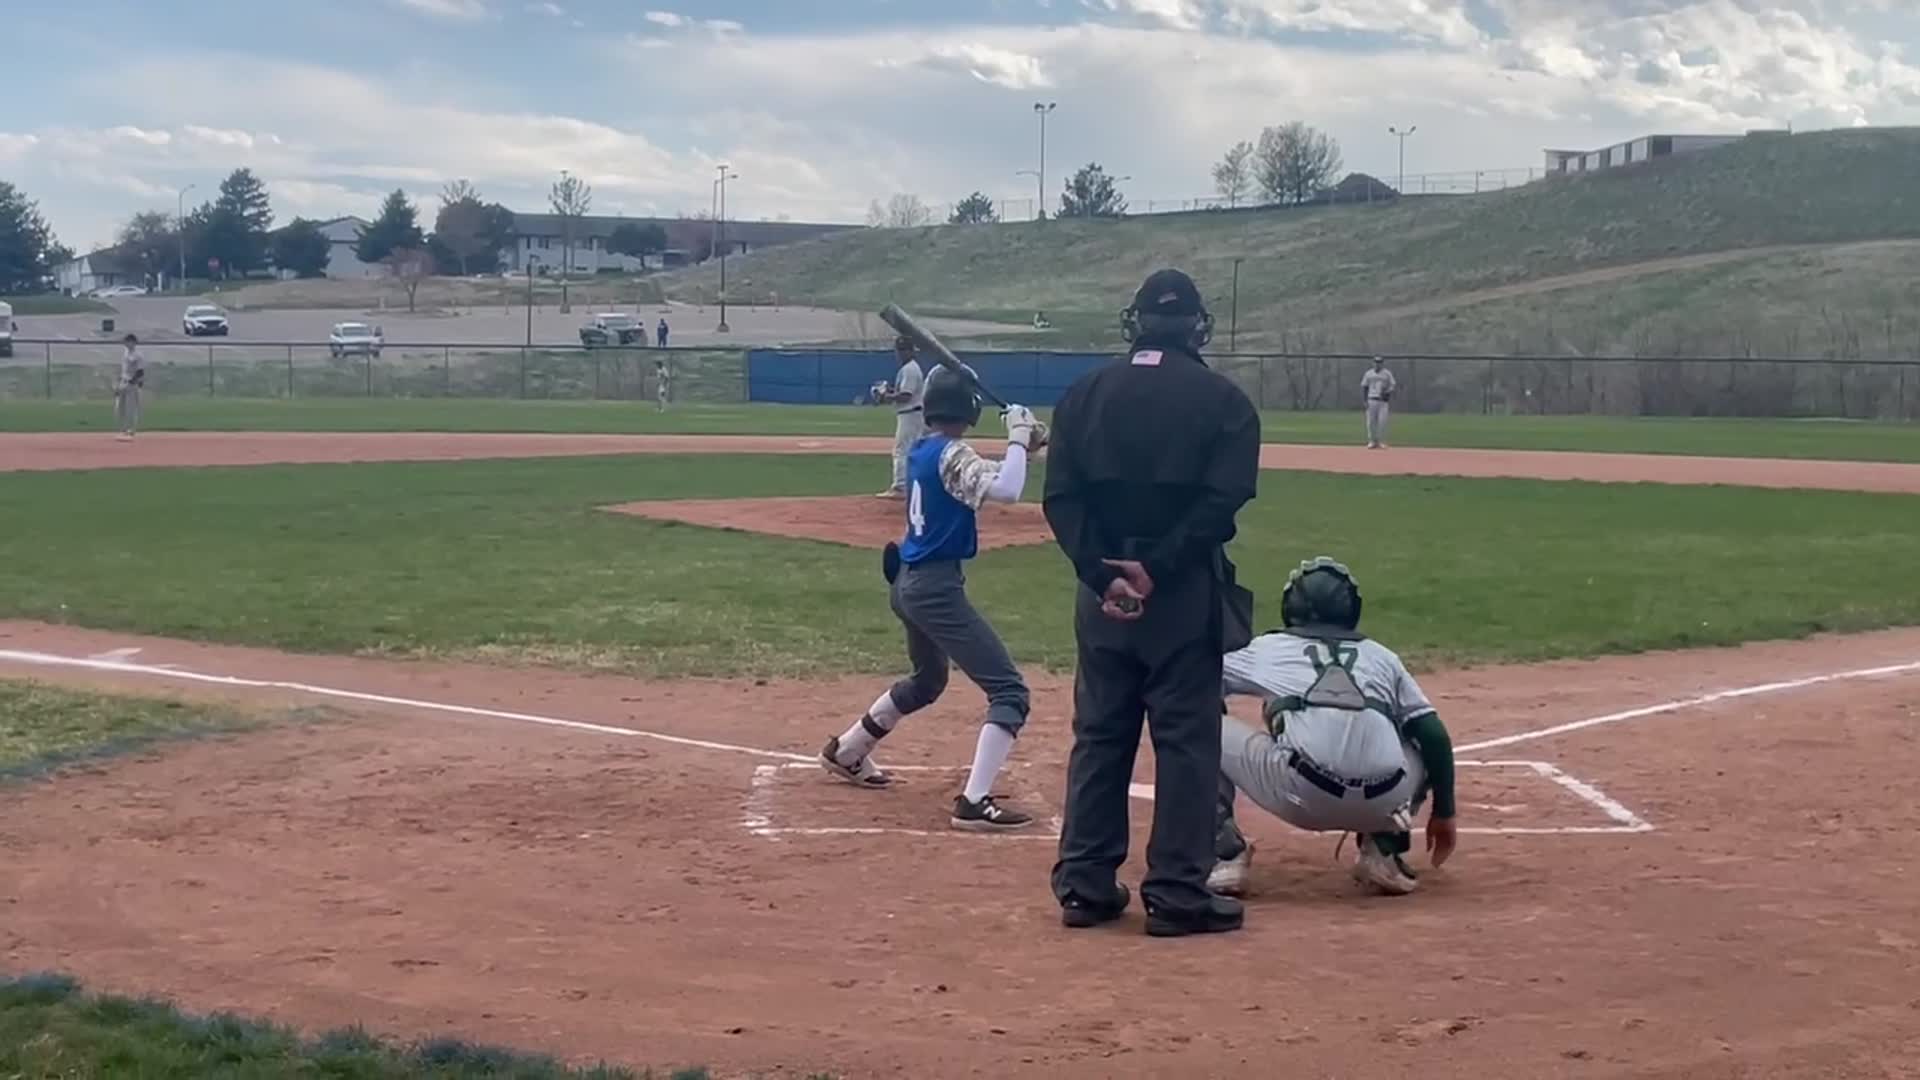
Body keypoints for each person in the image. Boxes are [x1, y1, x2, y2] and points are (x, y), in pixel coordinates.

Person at [1045, 268, 1261, 937]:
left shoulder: (1082, 396)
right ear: (1197, 326)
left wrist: (1100, 573)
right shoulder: (1224, 402)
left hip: (1099, 593)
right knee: (1187, 743)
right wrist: (1155, 569)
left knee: (1100, 736)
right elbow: (1221, 506)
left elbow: (1061, 499)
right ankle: (1175, 892)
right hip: (1179, 593)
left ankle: (1084, 884)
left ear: (1134, 322)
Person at [819, 367, 1049, 831]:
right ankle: (974, 801)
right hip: (936, 589)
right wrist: (1018, 440)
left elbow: (990, 473)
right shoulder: (952, 453)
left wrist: (1028, 444)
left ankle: (848, 749)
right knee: (1009, 690)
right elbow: (1006, 488)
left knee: (928, 680)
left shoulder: (926, 449)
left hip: (907, 581)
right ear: (970, 410)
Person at [1208, 558, 1458, 898]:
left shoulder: (1268, 650)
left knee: (1195, 723)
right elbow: (1434, 735)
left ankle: (1224, 855)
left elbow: (1193, 683)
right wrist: (1445, 813)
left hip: (1300, 794)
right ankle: (1384, 849)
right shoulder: (1382, 657)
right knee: (1415, 736)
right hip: (1384, 802)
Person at [878, 335, 927, 499]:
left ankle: (900, 487)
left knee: (901, 450)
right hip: (912, 413)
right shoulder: (910, 368)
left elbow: (906, 395)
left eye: (904, 350)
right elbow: (904, 393)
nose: (900, 354)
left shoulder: (910, 369)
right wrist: (890, 392)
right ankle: (911, 485)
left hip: (910, 414)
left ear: (911, 351)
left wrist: (886, 396)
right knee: (911, 451)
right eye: (900, 350)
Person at [114, 334, 146, 442]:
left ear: (133, 342)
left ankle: (130, 430)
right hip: (123, 381)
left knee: (130, 407)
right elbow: (123, 369)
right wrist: (118, 384)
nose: (125, 343)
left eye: (127, 341)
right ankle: (122, 429)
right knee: (119, 407)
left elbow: (140, 371)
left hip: (132, 384)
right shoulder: (125, 353)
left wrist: (134, 381)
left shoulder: (138, 355)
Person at [1361, 356, 1396, 449]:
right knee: (1370, 422)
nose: (1377, 364)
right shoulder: (1368, 373)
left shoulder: (1387, 374)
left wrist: (1387, 392)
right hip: (1371, 399)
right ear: (1373, 363)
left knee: (1382, 421)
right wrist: (1365, 400)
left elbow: (1392, 385)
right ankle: (1372, 441)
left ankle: (1381, 441)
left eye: (1379, 362)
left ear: (1382, 363)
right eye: (1376, 362)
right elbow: (1364, 386)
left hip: (1383, 401)